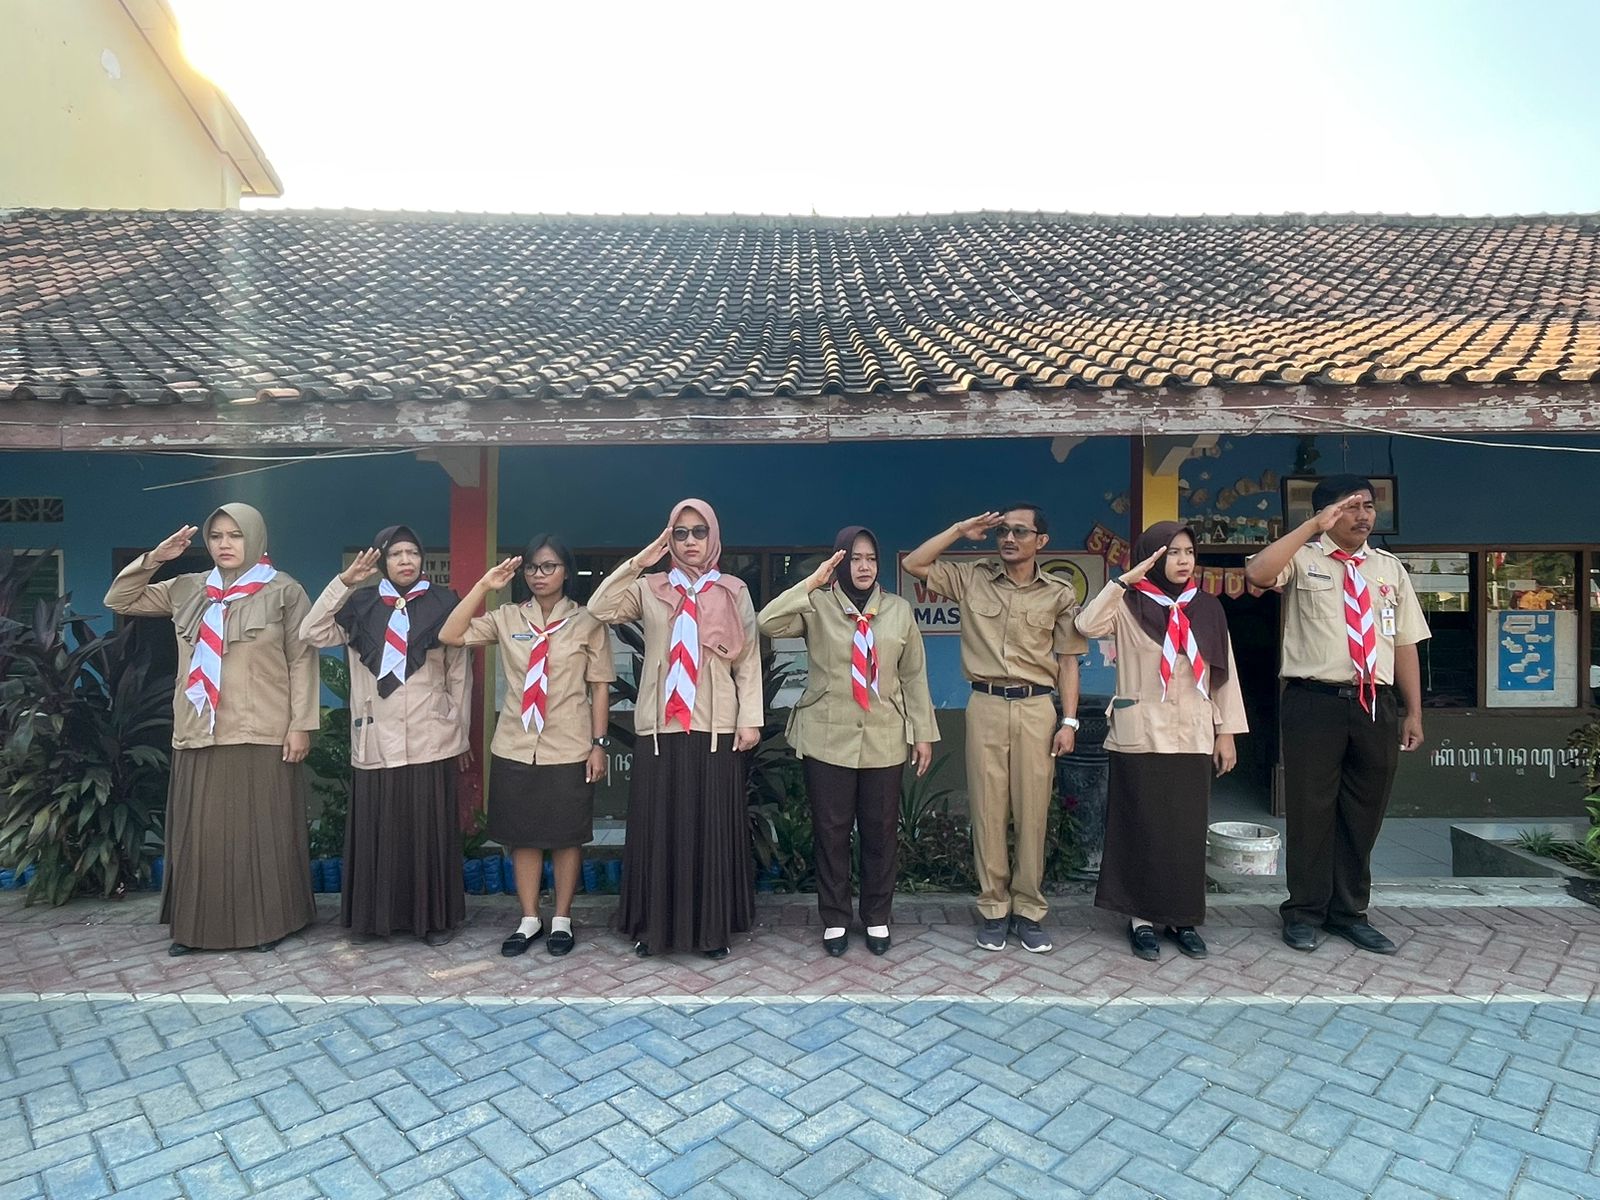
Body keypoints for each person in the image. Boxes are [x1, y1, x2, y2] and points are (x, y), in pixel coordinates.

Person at [104, 503, 318, 956]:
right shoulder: (187, 588)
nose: (225, 544)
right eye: (217, 536)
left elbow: (302, 660)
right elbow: (120, 600)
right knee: (202, 836)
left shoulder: (284, 591)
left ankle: (268, 922)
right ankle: (196, 928)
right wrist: (156, 558)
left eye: (235, 535)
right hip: (199, 730)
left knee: (260, 834)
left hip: (262, 732)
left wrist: (301, 725)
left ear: (255, 538)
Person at [1244, 474, 1429, 955]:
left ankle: (1349, 913)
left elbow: (1404, 642)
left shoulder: (1388, 569)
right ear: (1327, 513)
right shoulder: (1302, 558)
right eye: (1351, 506)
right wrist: (1310, 528)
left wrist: (1413, 711)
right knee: (1311, 810)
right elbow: (1258, 574)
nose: (1364, 515)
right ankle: (1303, 911)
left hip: (1376, 703)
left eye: (1368, 506)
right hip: (1314, 701)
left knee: (1364, 811)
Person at [902, 504, 1085, 953]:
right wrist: (960, 529)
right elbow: (915, 564)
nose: (1008, 538)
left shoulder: (1058, 593)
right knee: (987, 811)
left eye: (1020, 531)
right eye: (1003, 531)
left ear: (1041, 541)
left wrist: (1069, 720)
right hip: (984, 704)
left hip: (1037, 708)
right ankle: (993, 908)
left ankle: (1029, 911)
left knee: (1033, 813)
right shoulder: (974, 578)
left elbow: (1068, 662)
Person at [588, 499, 762, 960]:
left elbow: (747, 660)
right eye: (679, 533)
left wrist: (749, 719)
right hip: (660, 729)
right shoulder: (650, 588)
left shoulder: (733, 591)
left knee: (709, 829)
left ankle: (711, 930)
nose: (689, 542)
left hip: (714, 727)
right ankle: (654, 928)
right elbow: (600, 607)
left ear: (713, 537)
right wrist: (639, 563)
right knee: (660, 829)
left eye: (699, 532)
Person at [757, 526, 939, 957]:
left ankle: (876, 916)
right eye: (854, 558)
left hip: (884, 736)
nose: (864, 567)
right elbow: (767, 622)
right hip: (827, 736)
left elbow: (914, 676)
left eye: (871, 559)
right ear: (839, 562)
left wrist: (923, 734)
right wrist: (812, 582)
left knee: (880, 833)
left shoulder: (898, 611)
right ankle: (835, 918)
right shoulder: (816, 605)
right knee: (831, 832)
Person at [1075, 523, 1248, 961]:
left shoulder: (1208, 608)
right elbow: (1086, 625)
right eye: (1171, 552)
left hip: (1192, 733)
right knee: (1141, 828)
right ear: (1151, 558)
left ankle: (1182, 919)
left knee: (1185, 833)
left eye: (1188, 551)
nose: (1183, 560)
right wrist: (1124, 581)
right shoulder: (1128, 603)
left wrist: (1226, 732)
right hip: (1141, 733)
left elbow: (1225, 673)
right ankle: (1140, 920)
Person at [440, 535, 614, 958]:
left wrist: (599, 744)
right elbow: (450, 634)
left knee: (567, 837)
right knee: (523, 837)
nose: (540, 575)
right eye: (533, 567)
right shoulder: (507, 617)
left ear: (566, 572)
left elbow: (599, 687)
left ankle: (562, 919)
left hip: (569, 745)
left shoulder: (588, 621)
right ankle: (529, 918)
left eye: (549, 566)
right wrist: (485, 586)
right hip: (516, 745)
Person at [300, 525, 470, 946]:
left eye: (412, 552)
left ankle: (432, 920)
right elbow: (311, 632)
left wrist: (459, 731)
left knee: (427, 830)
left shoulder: (444, 602)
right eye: (395, 554)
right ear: (383, 561)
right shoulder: (360, 604)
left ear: (423, 558)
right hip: (376, 736)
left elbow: (459, 673)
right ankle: (376, 919)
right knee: (381, 828)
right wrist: (344, 583)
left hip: (431, 735)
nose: (405, 560)